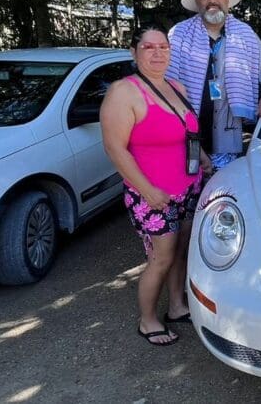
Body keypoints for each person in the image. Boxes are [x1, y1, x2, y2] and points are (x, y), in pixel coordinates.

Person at [101, 25, 211, 346]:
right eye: (148, 47)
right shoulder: (124, 91)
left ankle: (176, 306)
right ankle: (147, 320)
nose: (158, 53)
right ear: (134, 52)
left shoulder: (176, 87)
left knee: (180, 252)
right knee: (161, 258)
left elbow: (186, 133)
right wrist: (147, 191)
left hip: (189, 187)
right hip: (151, 193)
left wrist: (203, 158)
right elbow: (114, 148)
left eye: (163, 47)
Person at [167, 0, 261, 170]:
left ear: (227, 0)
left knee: (223, 192)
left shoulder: (244, 34)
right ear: (197, 4)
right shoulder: (179, 34)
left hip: (227, 135)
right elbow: (165, 82)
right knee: (190, 183)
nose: (212, 1)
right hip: (187, 132)